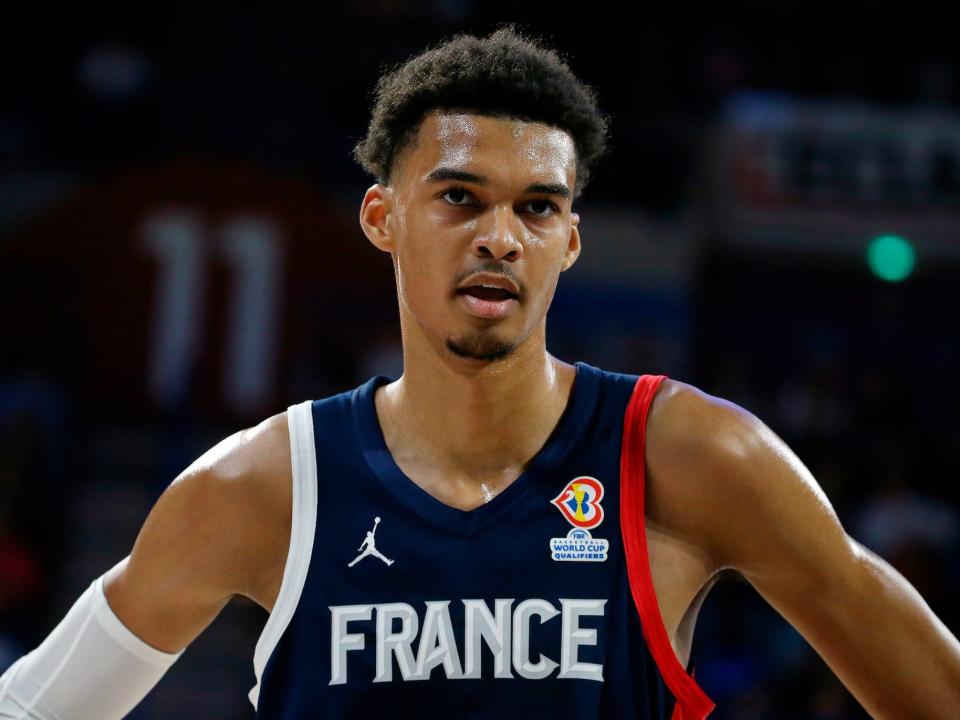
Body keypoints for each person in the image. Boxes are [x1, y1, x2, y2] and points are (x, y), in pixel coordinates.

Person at [1, 27, 959, 720]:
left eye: (538, 208)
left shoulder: (695, 457)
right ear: (382, 219)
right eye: (460, 197)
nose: (501, 236)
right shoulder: (263, 488)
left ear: (572, 241)